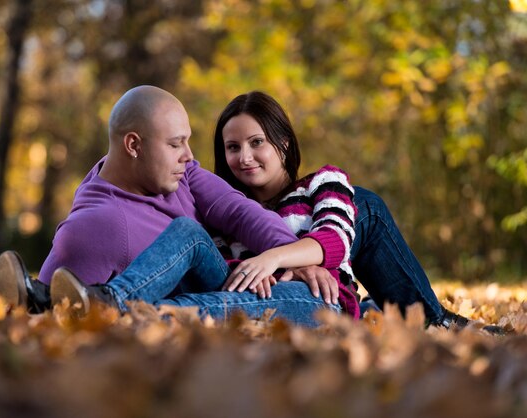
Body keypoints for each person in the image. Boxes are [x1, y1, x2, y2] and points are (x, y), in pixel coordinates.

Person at [0, 85, 343, 327]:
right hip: (236, 300)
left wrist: (293, 254)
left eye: (187, 142)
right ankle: (116, 309)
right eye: (176, 144)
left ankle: (112, 304)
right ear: (134, 145)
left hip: (243, 284)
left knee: (188, 232)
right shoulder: (94, 227)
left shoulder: (182, 171)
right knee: (174, 305)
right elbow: (54, 302)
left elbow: (240, 211)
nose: (190, 156)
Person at [212, 90, 504, 332]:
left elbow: (334, 240)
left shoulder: (322, 183)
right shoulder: (225, 211)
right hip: (269, 307)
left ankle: (433, 320)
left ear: (284, 143)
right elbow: (222, 265)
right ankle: (389, 312)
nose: (245, 157)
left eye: (257, 142)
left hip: (324, 301)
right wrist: (293, 268)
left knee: (365, 202)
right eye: (233, 147)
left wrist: (272, 259)